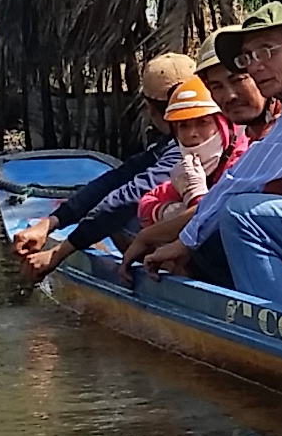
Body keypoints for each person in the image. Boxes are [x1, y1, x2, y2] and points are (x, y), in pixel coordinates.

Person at [138, 3, 282, 301]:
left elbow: (243, 178)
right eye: (248, 57)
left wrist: (184, 241)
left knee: (240, 214)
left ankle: (279, 324)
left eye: (266, 51)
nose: (255, 66)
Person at [11, 51, 199, 274]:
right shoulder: (169, 144)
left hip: (201, 249)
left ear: (150, 109)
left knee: (123, 216)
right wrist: (50, 223)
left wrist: (58, 253)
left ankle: (171, 276)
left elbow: (124, 200)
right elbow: (116, 180)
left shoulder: (185, 149)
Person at [121, 80, 250, 259]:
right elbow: (147, 203)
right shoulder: (188, 169)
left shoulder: (243, 160)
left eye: (203, 122)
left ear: (223, 124)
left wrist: (197, 199)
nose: (192, 133)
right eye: (183, 126)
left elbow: (213, 223)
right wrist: (168, 211)